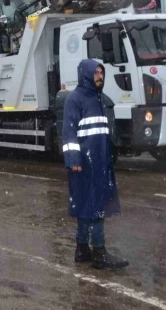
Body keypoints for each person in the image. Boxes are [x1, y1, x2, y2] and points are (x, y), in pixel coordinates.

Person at [62, 59, 127, 269]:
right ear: (86, 75)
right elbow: (69, 132)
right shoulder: (75, 99)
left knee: (87, 204)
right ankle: (99, 252)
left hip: (100, 162)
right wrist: (74, 160)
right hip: (84, 163)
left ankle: (82, 249)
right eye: (96, 73)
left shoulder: (99, 98)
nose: (100, 76)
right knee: (95, 205)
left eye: (101, 73)